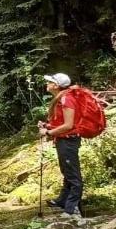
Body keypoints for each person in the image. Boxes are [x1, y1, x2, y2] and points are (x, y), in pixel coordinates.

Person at [38, 72, 83, 218]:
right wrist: (47, 125)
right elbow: (62, 122)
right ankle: (63, 200)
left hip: (69, 140)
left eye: (50, 81)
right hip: (64, 140)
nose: (47, 84)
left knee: (73, 175)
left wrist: (48, 133)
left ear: (56, 86)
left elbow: (69, 125)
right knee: (66, 171)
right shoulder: (61, 98)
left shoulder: (66, 99)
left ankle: (73, 208)